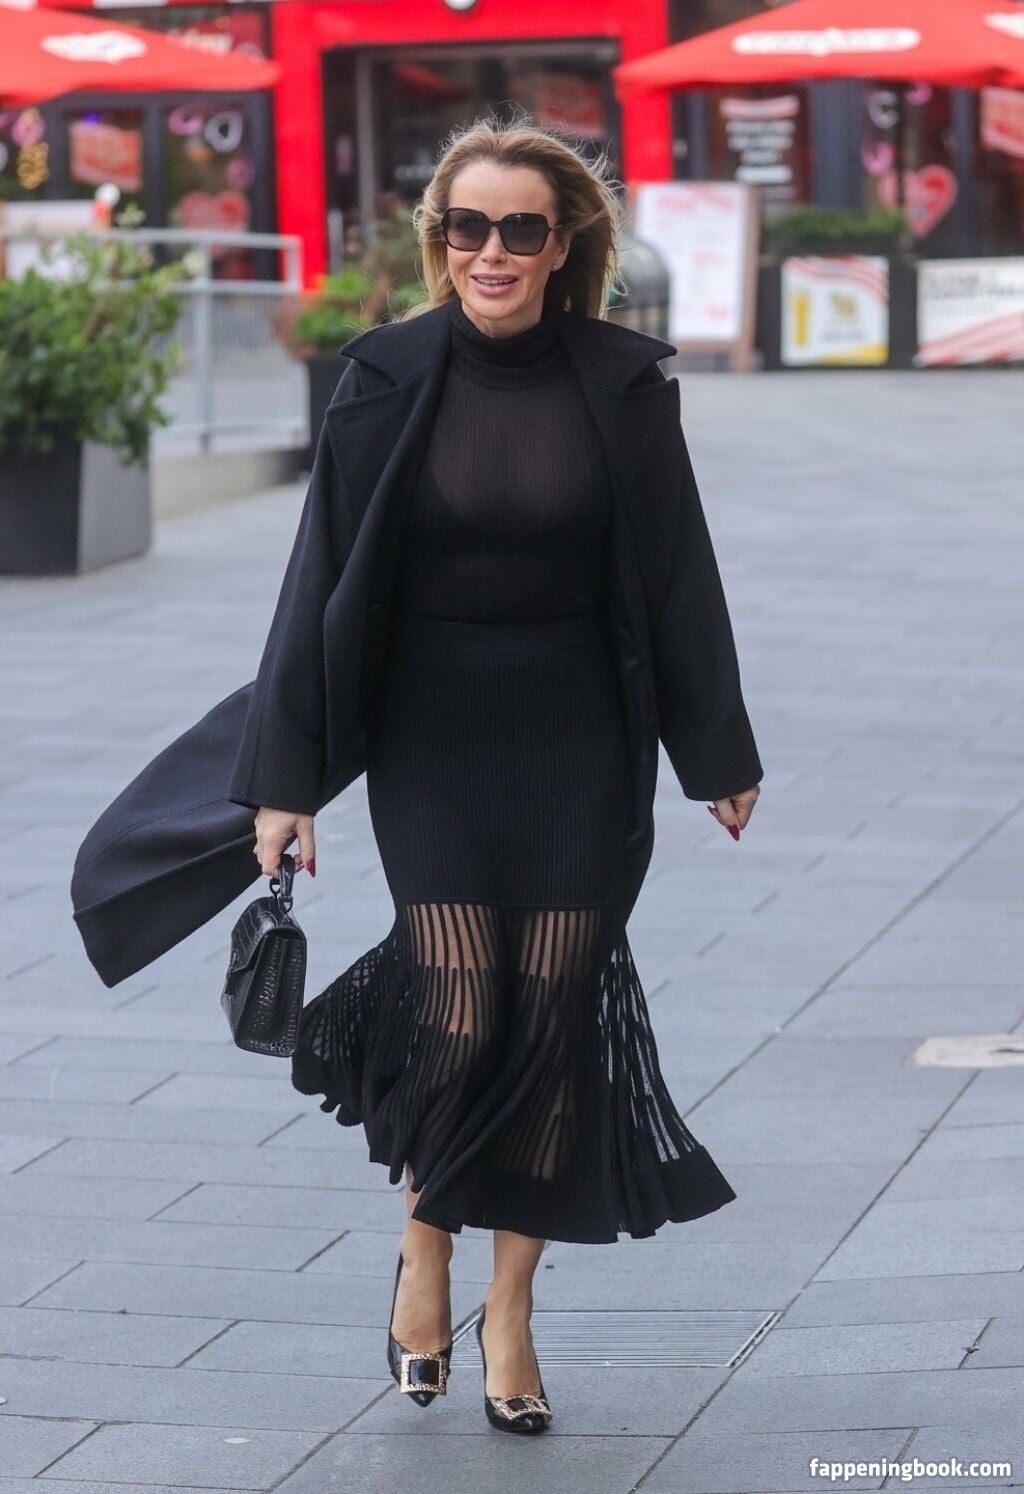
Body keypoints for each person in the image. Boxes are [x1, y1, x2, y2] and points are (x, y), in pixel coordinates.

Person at [247, 115, 762, 1434]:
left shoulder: (625, 382)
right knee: (466, 1010)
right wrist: (288, 780)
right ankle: (426, 1240)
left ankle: (512, 1309)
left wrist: (715, 749)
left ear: (564, 243)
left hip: (581, 735)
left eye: (520, 227)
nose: (492, 250)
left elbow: (678, 571)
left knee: (551, 1019)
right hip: (431, 733)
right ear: (441, 240)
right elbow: (317, 579)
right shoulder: (383, 375)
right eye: (467, 226)